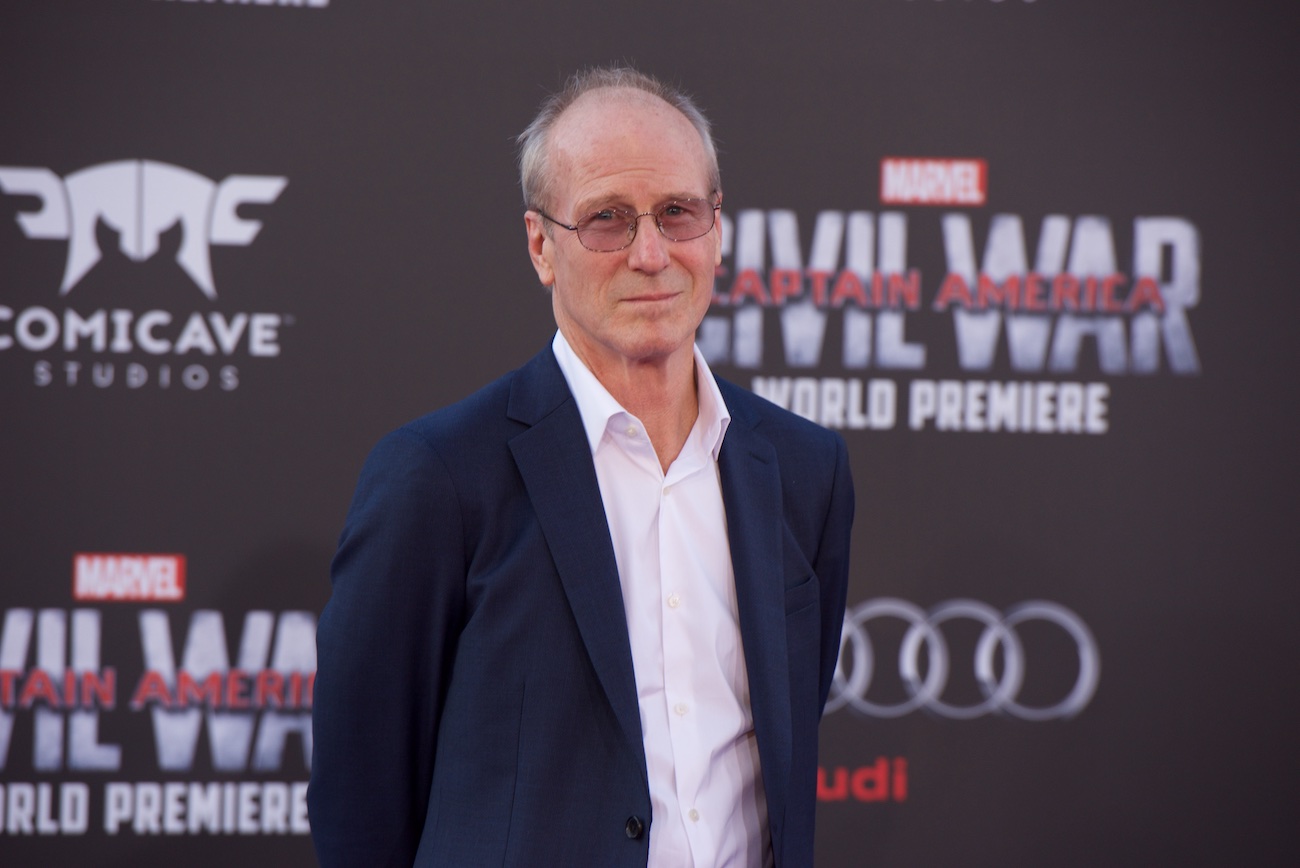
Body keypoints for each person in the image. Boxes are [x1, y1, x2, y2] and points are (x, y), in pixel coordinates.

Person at [308, 66, 854, 867]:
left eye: (678, 212)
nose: (650, 252)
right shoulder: (440, 475)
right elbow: (362, 798)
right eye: (606, 220)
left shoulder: (806, 469)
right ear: (542, 246)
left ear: (718, 228)